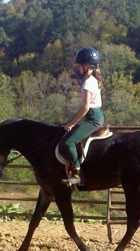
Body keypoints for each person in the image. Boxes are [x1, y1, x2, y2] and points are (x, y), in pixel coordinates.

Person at [62, 47, 104, 185]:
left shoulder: (87, 83)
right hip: (94, 116)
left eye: (79, 65)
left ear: (87, 65)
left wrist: (71, 123)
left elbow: (85, 107)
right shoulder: (93, 80)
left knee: (69, 142)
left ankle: (76, 173)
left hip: (93, 118)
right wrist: (71, 121)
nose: (78, 68)